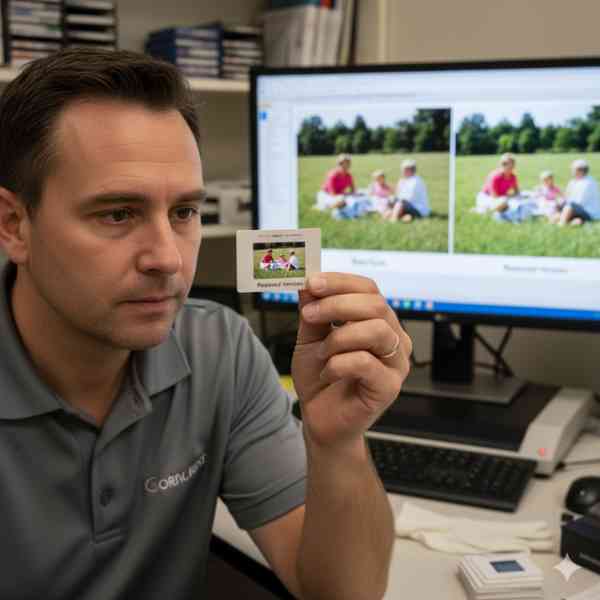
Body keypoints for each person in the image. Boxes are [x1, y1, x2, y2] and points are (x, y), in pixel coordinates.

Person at [0, 48, 411, 600]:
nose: (167, 258)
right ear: (13, 225)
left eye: (184, 213)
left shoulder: (219, 347)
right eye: (117, 214)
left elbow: (342, 594)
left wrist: (336, 443)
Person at [559, 159, 600, 226]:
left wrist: (564, 203)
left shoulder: (589, 183)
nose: (571, 171)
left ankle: (561, 224)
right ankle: (575, 221)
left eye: (573, 169)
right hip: (578, 209)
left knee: (568, 207)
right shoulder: (573, 181)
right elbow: (567, 195)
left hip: (589, 212)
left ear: (580, 171)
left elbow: (579, 202)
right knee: (558, 213)